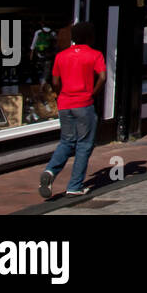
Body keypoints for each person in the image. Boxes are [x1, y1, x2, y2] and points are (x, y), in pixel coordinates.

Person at [39, 22, 106, 199]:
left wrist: (61, 94)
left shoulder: (61, 56)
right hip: (83, 103)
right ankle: (74, 186)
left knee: (66, 142)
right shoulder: (95, 54)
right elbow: (102, 77)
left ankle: (50, 171)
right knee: (84, 144)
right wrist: (93, 93)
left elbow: (55, 81)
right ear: (90, 37)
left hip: (64, 103)